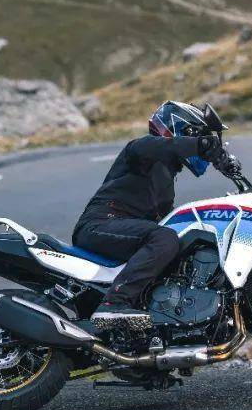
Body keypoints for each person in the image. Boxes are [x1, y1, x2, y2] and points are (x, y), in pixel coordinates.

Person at [73, 101, 241, 325]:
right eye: (201, 134)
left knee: (182, 244)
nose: (206, 140)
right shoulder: (143, 151)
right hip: (100, 224)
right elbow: (162, 146)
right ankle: (114, 304)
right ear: (183, 130)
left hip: (126, 232)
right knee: (164, 238)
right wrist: (200, 145)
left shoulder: (166, 181)